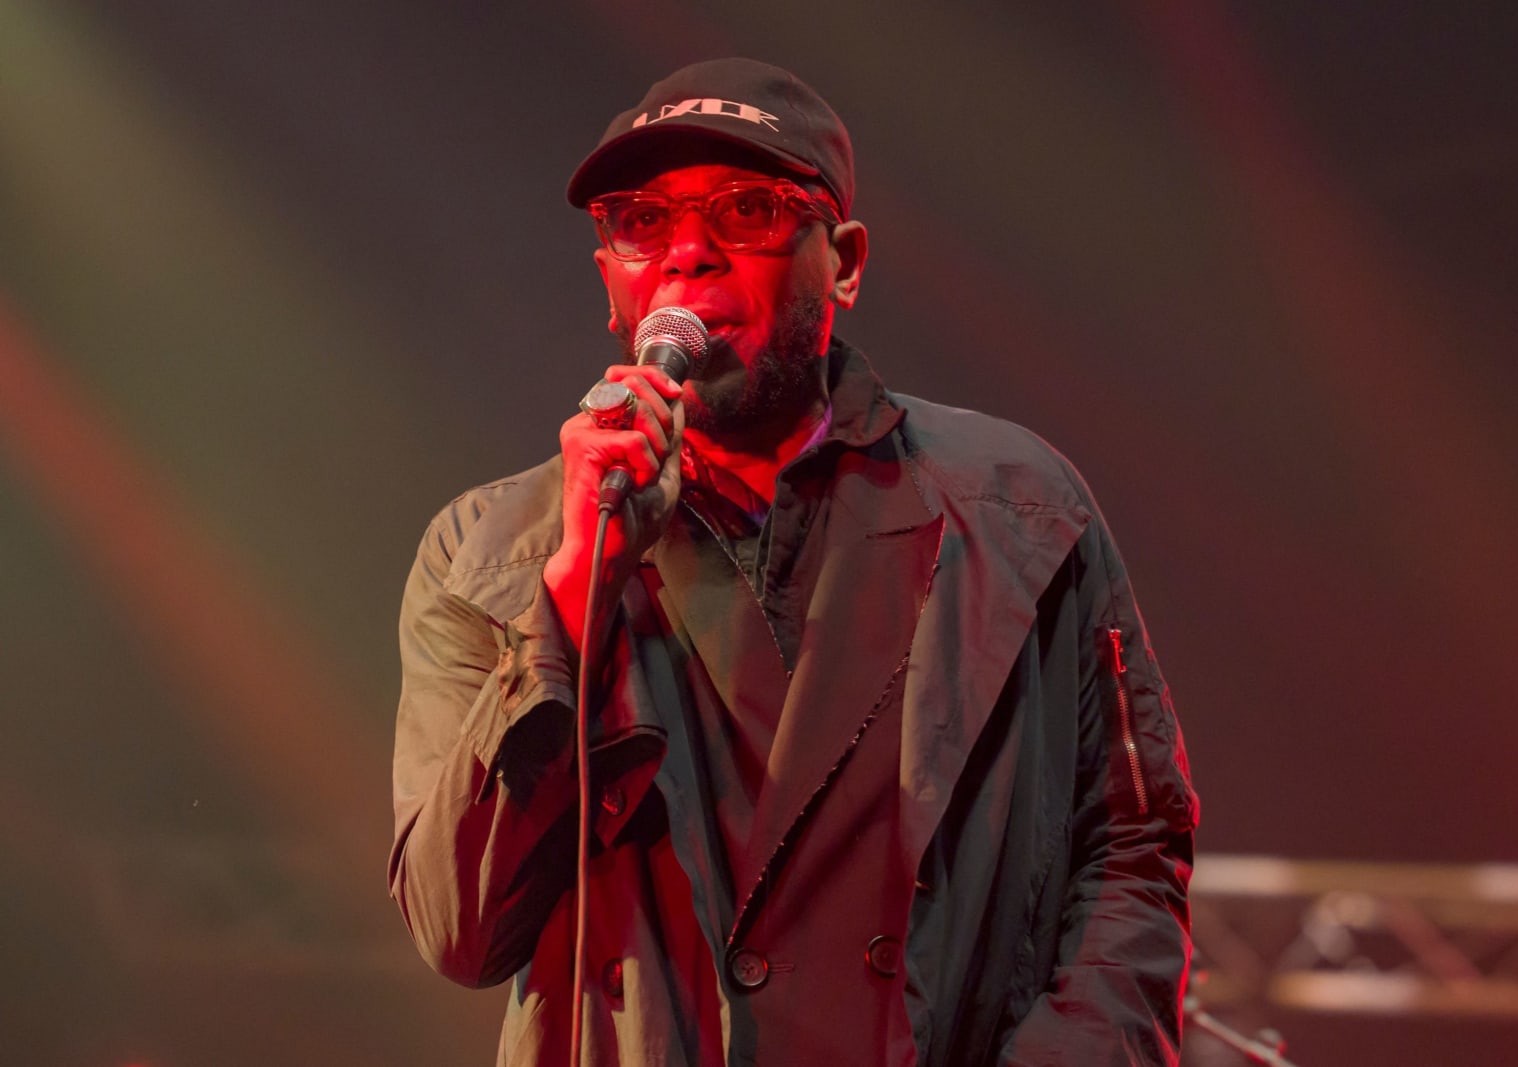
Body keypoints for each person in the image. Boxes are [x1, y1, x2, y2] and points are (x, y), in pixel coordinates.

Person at [388, 57, 1198, 1066]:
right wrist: (570, 593)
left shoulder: (1017, 506)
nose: (686, 255)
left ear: (845, 261)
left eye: (747, 211)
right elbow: (461, 931)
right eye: (640, 221)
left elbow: (1129, 849)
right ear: (609, 277)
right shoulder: (492, 548)